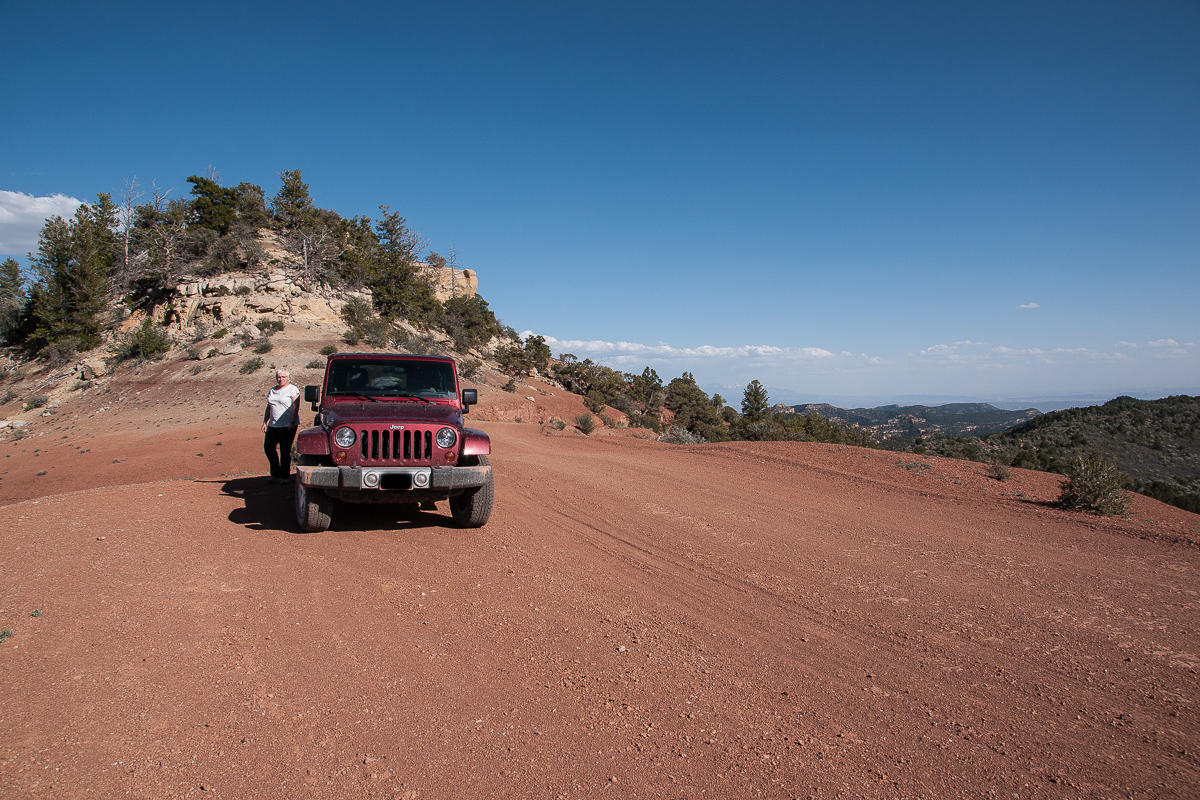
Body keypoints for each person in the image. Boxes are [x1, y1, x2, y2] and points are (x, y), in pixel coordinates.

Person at [262, 368, 301, 483]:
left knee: (285, 450)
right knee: (268, 448)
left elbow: (296, 407)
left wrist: (292, 422)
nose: (281, 379)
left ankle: (284, 476)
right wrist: (265, 421)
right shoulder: (272, 390)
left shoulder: (292, 389)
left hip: (287, 425)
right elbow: (269, 407)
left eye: (283, 377)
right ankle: (275, 472)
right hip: (273, 425)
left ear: (288, 378)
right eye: (279, 377)